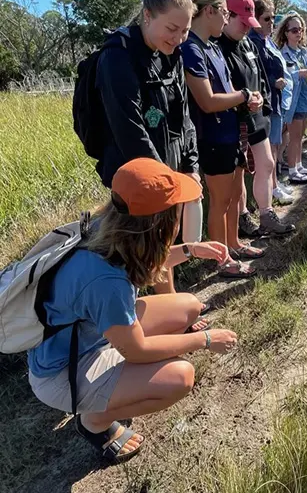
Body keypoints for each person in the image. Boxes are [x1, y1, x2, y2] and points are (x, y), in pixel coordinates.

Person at [28, 158, 238, 463]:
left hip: (89, 336)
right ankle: (94, 422)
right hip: (63, 374)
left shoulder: (104, 227)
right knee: (180, 378)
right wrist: (205, 340)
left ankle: (110, 390)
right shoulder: (106, 282)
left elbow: (140, 258)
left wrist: (192, 249)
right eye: (176, 209)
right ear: (159, 222)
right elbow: (137, 350)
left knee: (189, 306)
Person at [90, 0, 202, 294]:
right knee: (137, 248)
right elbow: (130, 130)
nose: (179, 39)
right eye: (172, 29)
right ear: (148, 16)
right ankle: (136, 319)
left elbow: (184, 115)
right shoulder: (118, 56)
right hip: (136, 175)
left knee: (166, 236)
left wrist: (190, 165)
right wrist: (165, 184)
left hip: (170, 166)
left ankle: (167, 302)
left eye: (185, 31)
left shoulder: (173, 54)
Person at [180, 0, 263, 276]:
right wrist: (242, 96)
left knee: (232, 197)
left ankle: (234, 243)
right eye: (225, 13)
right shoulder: (191, 49)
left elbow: (225, 91)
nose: (228, 19)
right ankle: (221, 259)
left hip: (230, 134)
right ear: (210, 11)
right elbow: (207, 100)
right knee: (220, 201)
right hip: (212, 137)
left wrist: (245, 101)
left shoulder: (212, 47)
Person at [216, 0, 295, 236]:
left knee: (267, 163)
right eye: (242, 23)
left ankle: (266, 213)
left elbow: (259, 74)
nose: (245, 28)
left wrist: (262, 98)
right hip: (235, 119)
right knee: (239, 173)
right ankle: (242, 217)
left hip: (258, 114)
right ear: (227, 16)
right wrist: (243, 99)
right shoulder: (218, 47)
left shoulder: (247, 42)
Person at [249, 0, 294, 205]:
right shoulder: (253, 42)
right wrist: (273, 82)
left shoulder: (267, 41)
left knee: (275, 146)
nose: (272, 23)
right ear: (255, 18)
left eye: (273, 18)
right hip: (266, 104)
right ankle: (272, 188)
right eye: (267, 18)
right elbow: (257, 73)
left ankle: (275, 185)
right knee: (270, 148)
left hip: (275, 102)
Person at [275, 13, 307, 184]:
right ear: (286, 32)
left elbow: (306, 71)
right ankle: (293, 170)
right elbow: (283, 79)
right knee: (294, 138)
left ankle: (299, 165)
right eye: (294, 30)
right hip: (293, 103)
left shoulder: (303, 52)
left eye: (300, 29)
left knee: (300, 136)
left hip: (305, 101)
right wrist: (297, 75)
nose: (298, 33)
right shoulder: (282, 54)